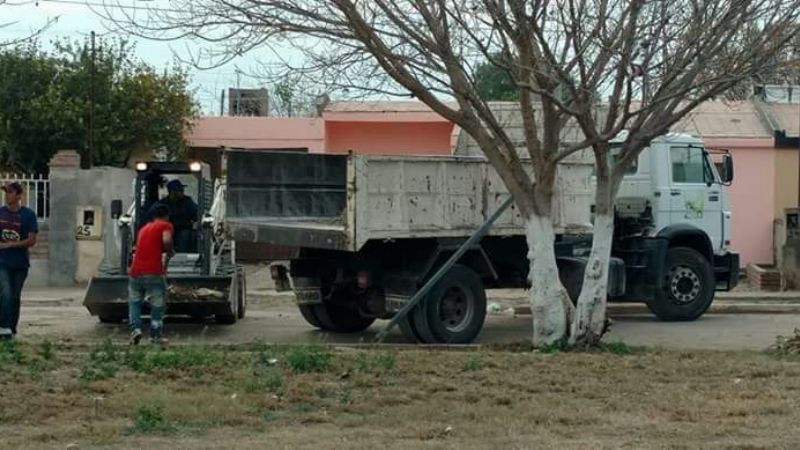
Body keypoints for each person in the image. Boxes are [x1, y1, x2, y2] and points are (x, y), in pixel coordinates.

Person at [128, 204, 174, 346]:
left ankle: (135, 329)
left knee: (135, 302)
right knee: (157, 304)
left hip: (135, 272)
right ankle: (155, 336)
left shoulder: (143, 229)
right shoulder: (165, 225)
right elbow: (166, 240)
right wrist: (170, 250)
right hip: (153, 272)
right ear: (166, 215)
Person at [0, 182, 38, 339]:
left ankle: (12, 328)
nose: (7, 195)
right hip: (2, 262)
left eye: (10, 192)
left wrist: (11, 245)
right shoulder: (0, 213)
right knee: (5, 293)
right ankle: (3, 327)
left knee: (15, 297)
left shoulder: (28, 215)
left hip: (20, 263)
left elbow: (31, 240)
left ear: (18, 195)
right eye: (6, 192)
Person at [146, 179, 198, 253]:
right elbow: (150, 215)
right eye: (180, 190)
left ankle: (181, 255)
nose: (182, 192)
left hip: (182, 229)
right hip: (166, 230)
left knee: (185, 235)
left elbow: (197, 213)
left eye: (182, 190)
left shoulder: (187, 202)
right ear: (172, 192)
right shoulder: (162, 203)